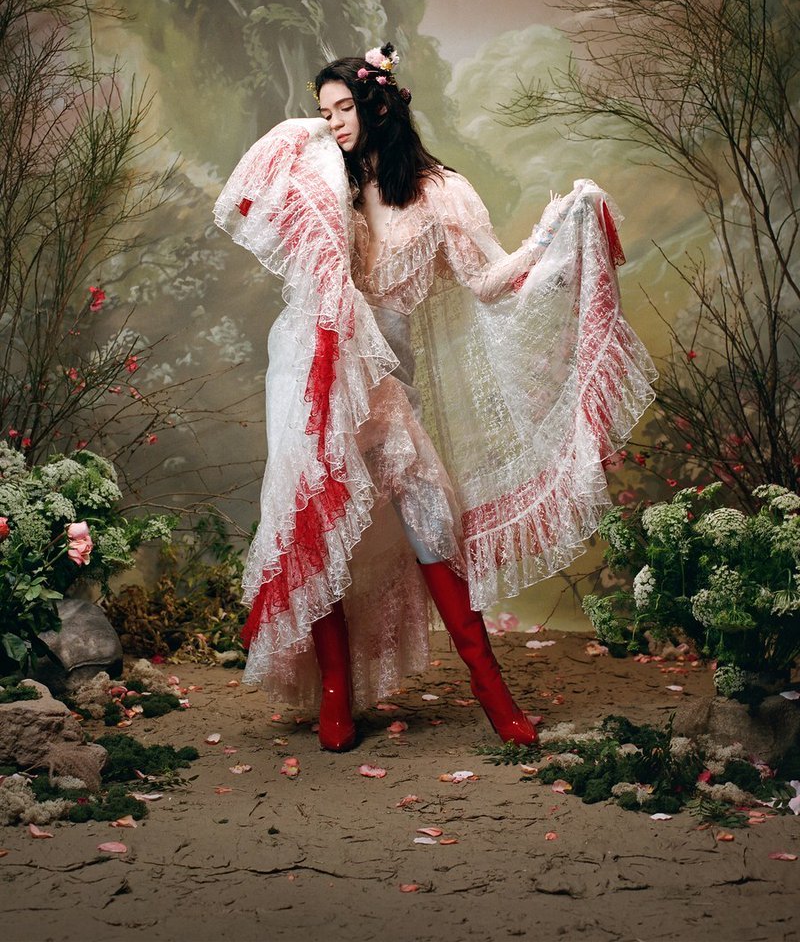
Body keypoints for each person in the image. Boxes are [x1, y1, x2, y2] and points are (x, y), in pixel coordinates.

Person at [214, 42, 656, 752]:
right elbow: (260, 196)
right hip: (312, 367)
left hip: (386, 380)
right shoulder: (325, 178)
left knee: (428, 520)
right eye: (324, 110)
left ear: (379, 105)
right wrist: (313, 132)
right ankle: (335, 694)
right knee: (318, 518)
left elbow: (488, 282)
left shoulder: (441, 192)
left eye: (344, 108)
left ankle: (492, 690)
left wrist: (555, 229)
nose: (332, 122)